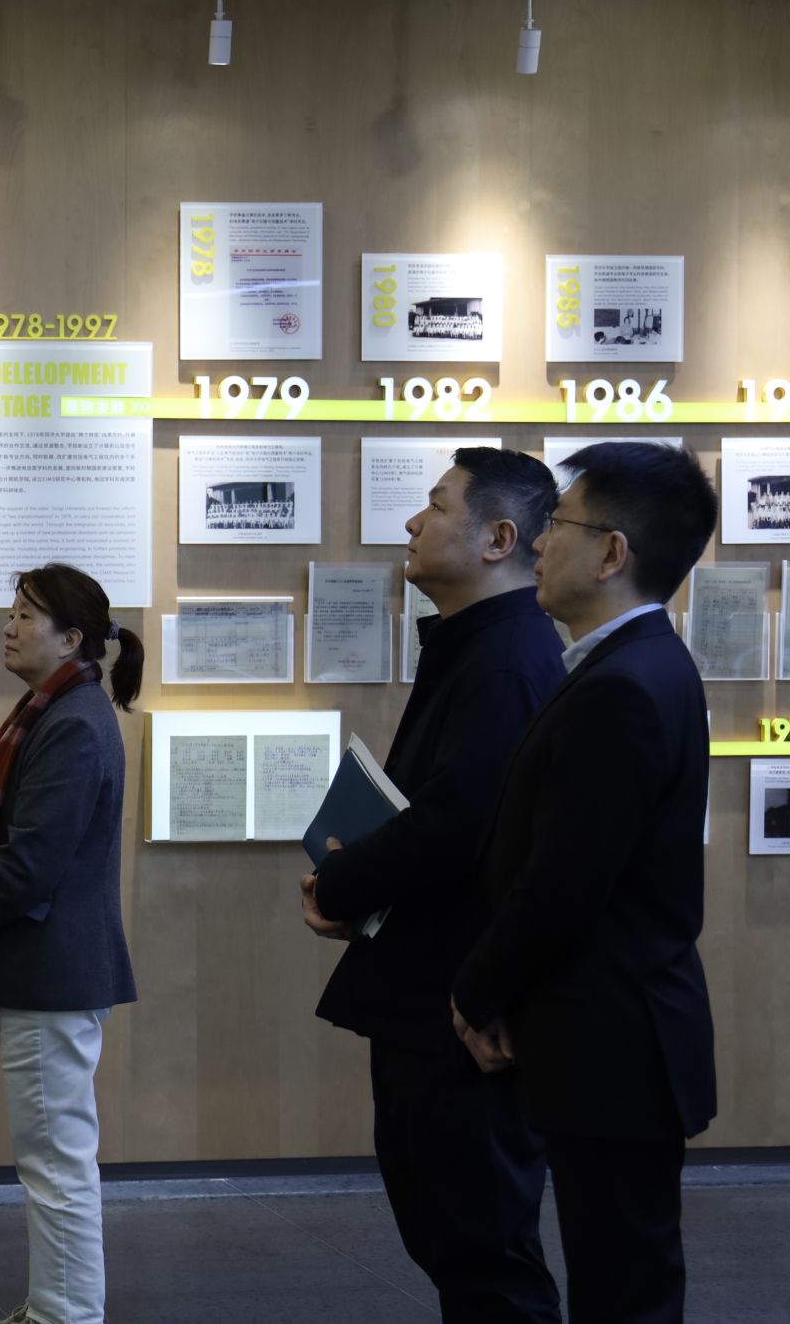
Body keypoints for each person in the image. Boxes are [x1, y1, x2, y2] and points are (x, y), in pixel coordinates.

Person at [451, 441, 718, 1324]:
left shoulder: (625, 686)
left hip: (615, 1043)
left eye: (559, 523)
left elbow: (563, 880)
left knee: (624, 1286)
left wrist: (476, 991)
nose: (539, 543)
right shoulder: (631, 665)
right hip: (613, 1038)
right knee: (622, 1273)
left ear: (612, 553)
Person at [302, 448, 566, 1323]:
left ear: (499, 538)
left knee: (486, 1255)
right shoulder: (480, 648)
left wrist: (343, 880)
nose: (414, 523)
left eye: (438, 505)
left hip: (462, 1008)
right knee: (458, 1243)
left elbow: (458, 823)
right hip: (434, 995)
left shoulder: (508, 659)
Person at [0, 564, 142, 1324]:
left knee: (56, 1160)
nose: (9, 626)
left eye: (27, 615)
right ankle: (56, 1306)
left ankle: (66, 1315)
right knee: (54, 1156)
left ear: (71, 638)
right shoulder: (57, 710)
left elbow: (30, 864)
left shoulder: (73, 720)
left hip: (52, 971)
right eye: (12, 612)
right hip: (49, 969)